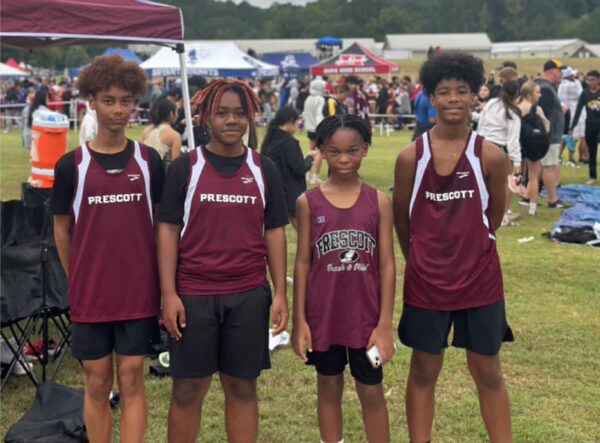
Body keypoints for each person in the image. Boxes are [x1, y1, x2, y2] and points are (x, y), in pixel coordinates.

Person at [158, 79, 289, 443]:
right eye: (222, 113)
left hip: (247, 294)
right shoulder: (186, 168)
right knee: (188, 389)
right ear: (205, 118)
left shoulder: (264, 168)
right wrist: (168, 293)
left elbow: (274, 232)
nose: (232, 121)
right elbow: (167, 231)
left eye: (239, 113)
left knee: (242, 387)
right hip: (194, 294)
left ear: (250, 117)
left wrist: (280, 292)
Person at [393, 53, 513, 443]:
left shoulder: (490, 156)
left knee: (488, 370)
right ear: (431, 97)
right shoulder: (410, 157)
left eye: (462, 90)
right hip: (427, 282)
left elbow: (493, 216)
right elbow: (402, 220)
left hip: (480, 280)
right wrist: (420, 260)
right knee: (424, 369)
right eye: (444, 91)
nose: (453, 98)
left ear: (475, 95)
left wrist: (469, 248)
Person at [51, 55, 164, 443]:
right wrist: (78, 277)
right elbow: (62, 229)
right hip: (91, 294)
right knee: (97, 381)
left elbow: (162, 228)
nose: (118, 109)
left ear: (135, 103)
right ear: (92, 102)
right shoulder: (71, 166)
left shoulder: (149, 161)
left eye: (126, 101)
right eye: (109, 100)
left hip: (137, 293)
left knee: (132, 378)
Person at [293, 114, 396, 443]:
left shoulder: (379, 202)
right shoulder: (307, 203)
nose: (344, 159)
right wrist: (299, 320)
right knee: (328, 386)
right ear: (321, 151)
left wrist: (384, 324)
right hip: (324, 316)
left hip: (365, 318)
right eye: (334, 152)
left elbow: (387, 265)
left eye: (352, 150)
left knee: (371, 391)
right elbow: (303, 263)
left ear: (365, 148)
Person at [261, 105, 315, 229]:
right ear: (290, 121)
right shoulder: (290, 143)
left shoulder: (269, 140)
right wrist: (310, 158)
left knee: (276, 230)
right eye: (297, 123)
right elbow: (299, 168)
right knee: (304, 230)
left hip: (273, 191)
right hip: (291, 192)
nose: (297, 126)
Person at [477, 80, 522, 226]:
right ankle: (502, 215)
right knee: (506, 184)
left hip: (481, 145)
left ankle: (481, 213)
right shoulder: (513, 112)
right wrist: (517, 160)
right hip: (498, 148)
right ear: (517, 95)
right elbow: (512, 139)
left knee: (482, 182)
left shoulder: (491, 103)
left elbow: (481, 123)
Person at [535, 60, 567, 207]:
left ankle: (531, 195)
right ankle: (553, 200)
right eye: (560, 71)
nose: (561, 74)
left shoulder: (545, 87)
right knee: (549, 166)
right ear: (552, 71)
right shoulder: (546, 89)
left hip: (549, 135)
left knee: (544, 166)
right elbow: (543, 115)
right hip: (550, 136)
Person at [517, 81, 550, 215]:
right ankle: (532, 208)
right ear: (530, 94)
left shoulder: (515, 107)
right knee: (533, 177)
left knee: (510, 176)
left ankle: (505, 210)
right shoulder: (536, 109)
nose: (540, 95)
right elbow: (546, 127)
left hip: (517, 144)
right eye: (537, 92)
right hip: (532, 145)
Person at [570, 70, 600, 185]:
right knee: (592, 152)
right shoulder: (585, 93)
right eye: (588, 80)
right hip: (590, 126)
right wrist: (572, 126)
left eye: (592, 80)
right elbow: (578, 110)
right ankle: (593, 176)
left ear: (598, 80)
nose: (590, 82)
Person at [141, 97, 182, 166]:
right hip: (160, 170)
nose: (177, 115)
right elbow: (176, 165)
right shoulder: (174, 135)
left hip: (144, 168)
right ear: (171, 114)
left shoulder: (147, 129)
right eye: (177, 112)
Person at [558, 67, 585, 166]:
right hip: (574, 113)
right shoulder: (572, 85)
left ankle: (558, 157)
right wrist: (578, 83)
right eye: (572, 75)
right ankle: (571, 158)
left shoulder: (561, 84)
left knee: (565, 138)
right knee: (573, 137)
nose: (574, 76)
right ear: (569, 76)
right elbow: (581, 95)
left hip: (565, 113)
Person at [303, 78, 326, 184]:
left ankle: (307, 175)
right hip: (318, 128)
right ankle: (315, 177)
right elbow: (319, 115)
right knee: (320, 152)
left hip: (309, 128)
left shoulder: (308, 99)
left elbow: (305, 113)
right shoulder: (320, 100)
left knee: (311, 151)